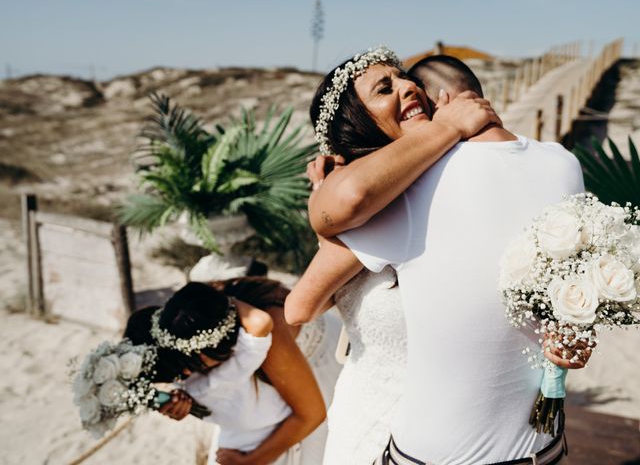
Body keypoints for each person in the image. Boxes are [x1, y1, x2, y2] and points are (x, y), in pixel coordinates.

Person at [286, 48, 590, 464]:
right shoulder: (391, 198)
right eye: (384, 88)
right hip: (384, 415)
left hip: (444, 436)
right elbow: (302, 304)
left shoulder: (416, 191)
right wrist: (444, 129)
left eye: (406, 81)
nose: (407, 88)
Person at [125, 277, 341, 465]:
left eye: (190, 366)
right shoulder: (200, 313)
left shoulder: (267, 337)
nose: (188, 375)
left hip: (319, 377)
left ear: (204, 349)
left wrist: (251, 461)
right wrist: (184, 404)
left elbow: (311, 415)